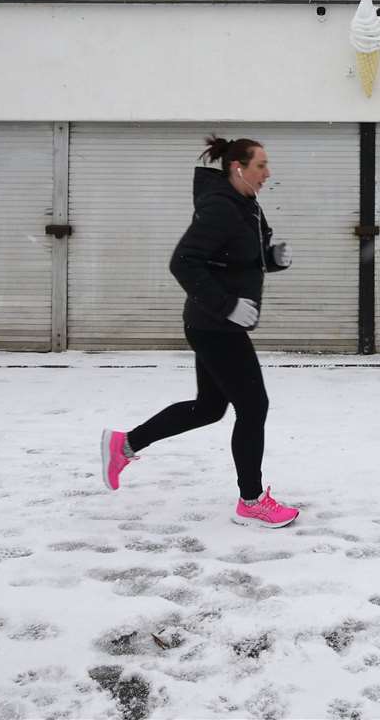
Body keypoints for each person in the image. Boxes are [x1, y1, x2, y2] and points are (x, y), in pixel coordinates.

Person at [101, 134, 300, 527]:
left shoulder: (246, 204)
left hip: (213, 324)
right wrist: (227, 305)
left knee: (209, 408)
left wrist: (272, 259)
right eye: (260, 165)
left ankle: (124, 444)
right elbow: (184, 262)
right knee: (253, 406)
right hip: (215, 325)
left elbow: (238, 256)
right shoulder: (219, 208)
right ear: (237, 168)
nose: (267, 172)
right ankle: (251, 500)